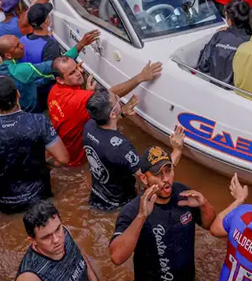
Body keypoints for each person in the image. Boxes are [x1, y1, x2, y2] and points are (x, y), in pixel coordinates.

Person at [109, 145, 216, 280]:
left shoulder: (183, 194)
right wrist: (141, 217)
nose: (165, 178)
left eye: (168, 170)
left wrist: (204, 204)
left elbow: (209, 224)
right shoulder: (133, 211)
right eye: (158, 173)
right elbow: (116, 257)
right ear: (144, 178)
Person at [0, 78, 70, 215]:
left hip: (7, 204)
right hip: (40, 197)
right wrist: (46, 164)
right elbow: (63, 159)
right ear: (18, 94)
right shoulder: (38, 122)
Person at [48, 56, 162, 166]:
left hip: (59, 148)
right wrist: (140, 77)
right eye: (72, 73)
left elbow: (78, 110)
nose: (78, 73)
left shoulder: (54, 91)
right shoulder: (78, 99)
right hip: (77, 160)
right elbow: (107, 96)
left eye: (77, 67)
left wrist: (87, 93)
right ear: (60, 80)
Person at [17, 200, 100, 281]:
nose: (56, 239)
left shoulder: (64, 231)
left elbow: (82, 260)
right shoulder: (29, 277)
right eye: (46, 237)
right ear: (32, 241)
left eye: (57, 229)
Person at [197, 0, 251, 83]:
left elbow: (203, 65)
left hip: (215, 87)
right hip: (238, 91)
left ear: (229, 20)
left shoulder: (218, 36)